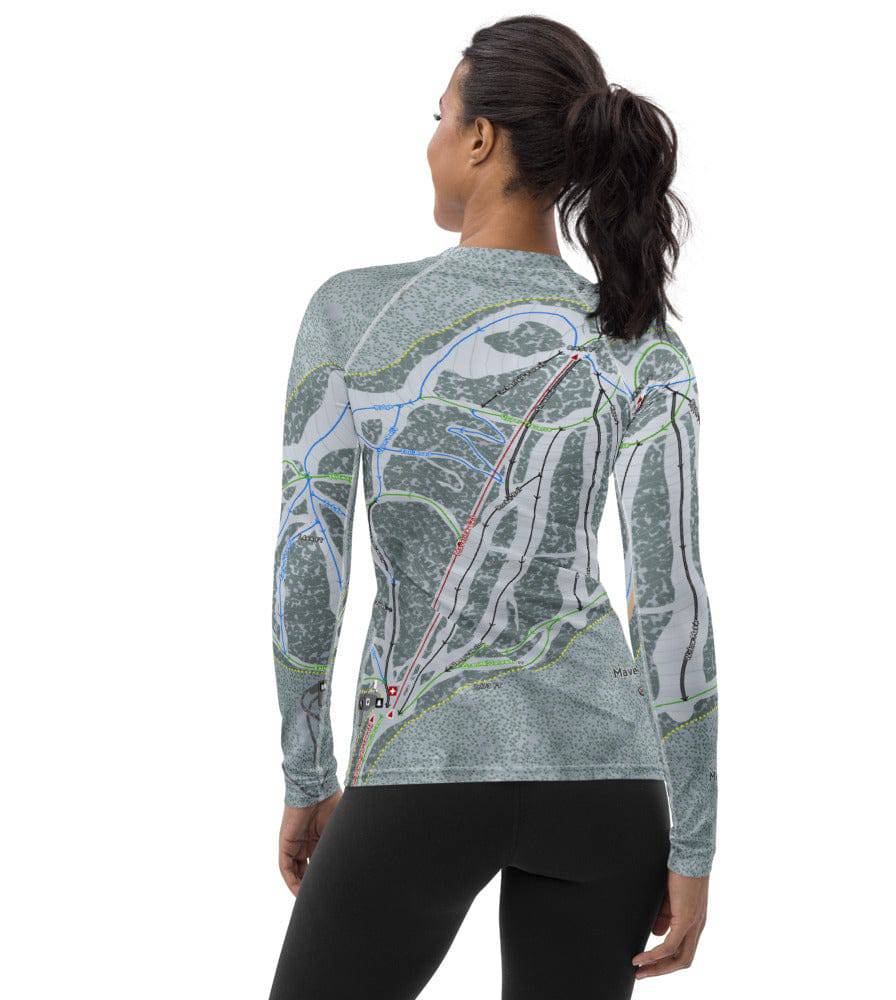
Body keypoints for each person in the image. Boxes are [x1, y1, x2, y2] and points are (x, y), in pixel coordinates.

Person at [268, 15, 718, 999]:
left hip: (422, 764)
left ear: (479, 138)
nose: (432, 139)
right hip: (610, 788)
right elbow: (671, 599)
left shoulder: (352, 311)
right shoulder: (638, 336)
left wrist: (309, 775)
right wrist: (693, 842)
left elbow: (311, 562)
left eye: (440, 116)